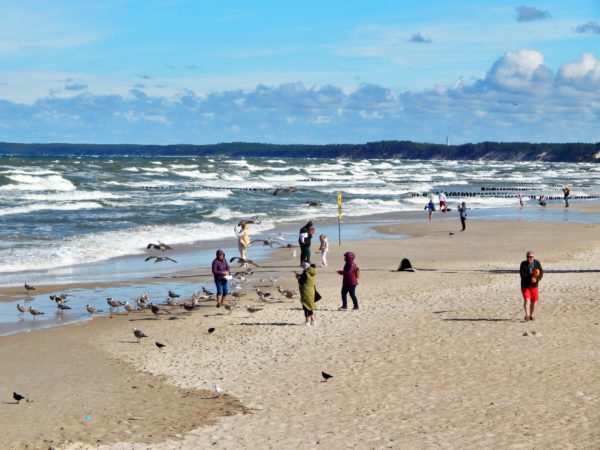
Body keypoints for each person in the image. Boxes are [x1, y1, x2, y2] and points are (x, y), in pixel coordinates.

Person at [519, 250, 544, 321]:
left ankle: (531, 315)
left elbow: (541, 272)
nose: (529, 258)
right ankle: (527, 315)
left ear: (534, 257)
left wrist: (536, 279)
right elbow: (522, 275)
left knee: (533, 302)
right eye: (528, 257)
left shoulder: (537, 263)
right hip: (525, 285)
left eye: (531, 257)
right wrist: (531, 278)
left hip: (534, 286)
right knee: (527, 300)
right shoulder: (523, 264)